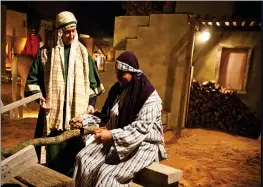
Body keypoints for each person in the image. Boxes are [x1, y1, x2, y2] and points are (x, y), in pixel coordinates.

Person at [25, 11, 104, 176]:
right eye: (67, 31)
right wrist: (40, 98)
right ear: (58, 32)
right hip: (51, 117)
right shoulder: (45, 53)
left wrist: (91, 105)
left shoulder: (83, 53)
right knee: (49, 167)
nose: (72, 34)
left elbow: (93, 83)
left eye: (74, 30)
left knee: (73, 164)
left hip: (76, 120)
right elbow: (32, 81)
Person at [73, 51, 168, 187]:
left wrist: (111, 135)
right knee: (84, 159)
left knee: (107, 175)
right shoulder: (121, 90)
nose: (118, 76)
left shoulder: (149, 97)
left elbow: (140, 129)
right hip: (119, 138)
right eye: (117, 72)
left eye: (122, 73)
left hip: (144, 144)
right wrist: (84, 120)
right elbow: (108, 116)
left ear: (132, 72)